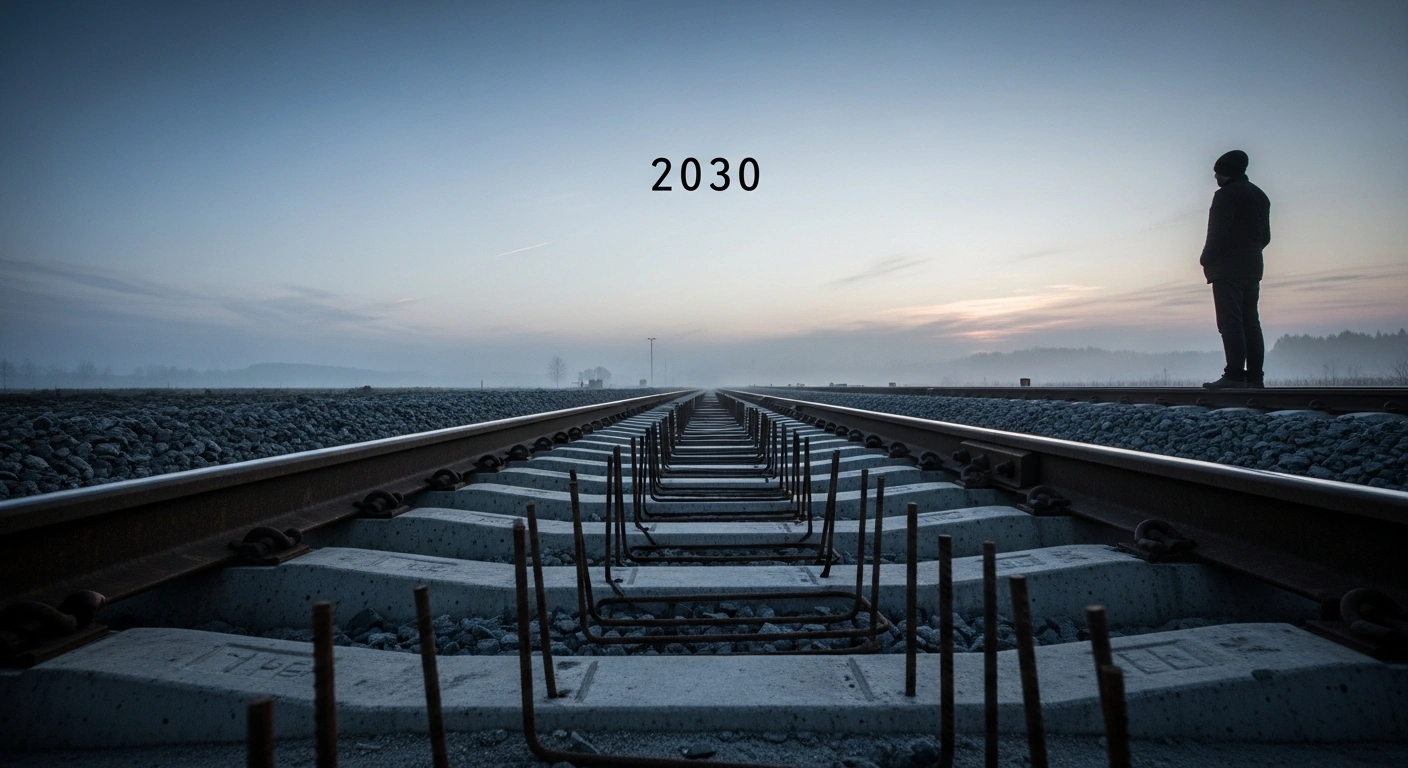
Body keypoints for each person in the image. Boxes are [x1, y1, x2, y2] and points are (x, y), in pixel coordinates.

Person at [1199, 149, 1271, 389]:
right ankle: (1255, 377)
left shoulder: (1225, 196)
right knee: (1251, 322)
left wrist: (1205, 258)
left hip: (1227, 268)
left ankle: (1234, 376)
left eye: (1217, 173)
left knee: (1230, 322)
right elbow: (1266, 237)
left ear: (1226, 173)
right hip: (1253, 267)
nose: (1215, 178)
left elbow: (1217, 233)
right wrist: (1250, 252)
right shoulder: (1260, 195)